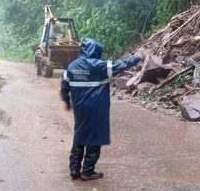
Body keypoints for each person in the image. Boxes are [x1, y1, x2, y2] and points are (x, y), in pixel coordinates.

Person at [60, 38, 145, 181]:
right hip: (96, 107)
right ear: (95, 51)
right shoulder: (99, 66)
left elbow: (64, 86)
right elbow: (121, 65)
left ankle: (74, 169)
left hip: (79, 108)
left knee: (80, 135)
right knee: (94, 137)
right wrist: (138, 57)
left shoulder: (72, 66)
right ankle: (88, 171)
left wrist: (67, 101)